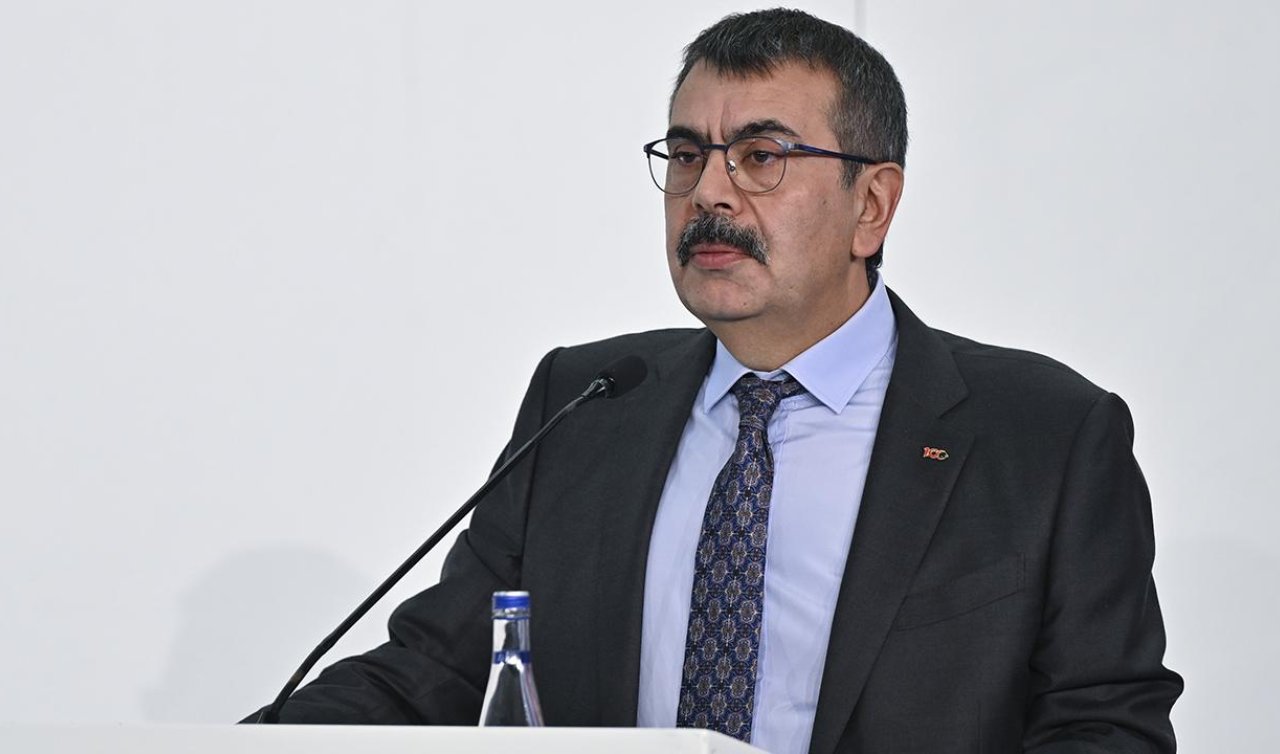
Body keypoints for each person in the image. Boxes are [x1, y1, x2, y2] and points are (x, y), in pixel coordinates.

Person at [251, 9, 1182, 753]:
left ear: (872, 205)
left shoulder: (1045, 435)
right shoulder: (586, 400)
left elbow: (1104, 724)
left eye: (762, 158)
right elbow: (437, 674)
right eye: (688, 155)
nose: (709, 193)